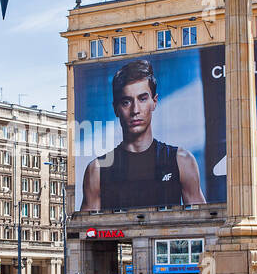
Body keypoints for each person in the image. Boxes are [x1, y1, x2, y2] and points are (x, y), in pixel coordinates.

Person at [81, 58, 205, 211]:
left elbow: (202, 221)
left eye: (142, 99)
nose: (135, 110)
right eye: (126, 102)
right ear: (116, 108)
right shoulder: (97, 170)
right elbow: (87, 229)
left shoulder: (181, 160)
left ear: (154, 101)